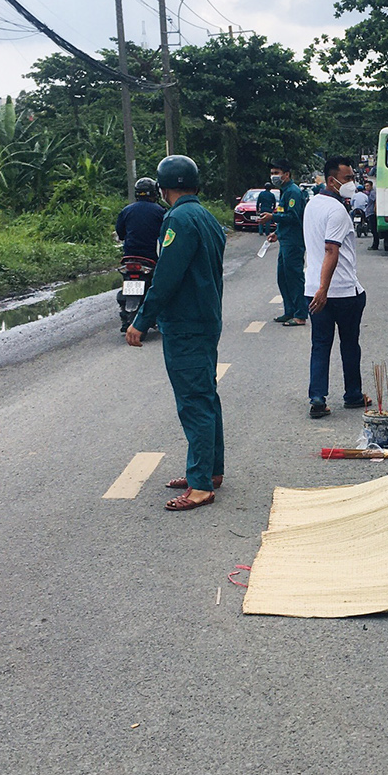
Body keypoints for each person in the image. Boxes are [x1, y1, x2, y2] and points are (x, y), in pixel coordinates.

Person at [124, 156, 226, 511]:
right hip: (205, 318)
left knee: (194, 402)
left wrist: (141, 319)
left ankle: (200, 487)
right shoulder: (207, 217)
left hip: (186, 324)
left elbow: (166, 276)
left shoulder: (178, 219)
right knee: (206, 397)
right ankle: (210, 470)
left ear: (163, 188)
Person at [303, 155, 369, 419]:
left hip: (312, 289)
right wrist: (324, 290)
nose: (352, 183)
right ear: (332, 181)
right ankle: (352, 394)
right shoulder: (338, 211)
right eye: (348, 179)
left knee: (320, 344)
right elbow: (331, 250)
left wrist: (317, 289)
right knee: (349, 343)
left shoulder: (312, 204)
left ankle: (317, 398)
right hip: (340, 291)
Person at [258, 161, 308, 326]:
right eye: (272, 172)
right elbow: (285, 218)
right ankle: (289, 311)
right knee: (283, 277)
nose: (274, 176)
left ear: (287, 174)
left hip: (294, 242)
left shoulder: (293, 192)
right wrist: (277, 233)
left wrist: (272, 217)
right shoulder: (284, 192)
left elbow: (293, 217)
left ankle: (300, 314)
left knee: (294, 277)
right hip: (285, 240)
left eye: (277, 172)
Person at [116, 176, 166, 262]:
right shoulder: (161, 211)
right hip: (152, 256)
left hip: (130, 256)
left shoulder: (126, 210)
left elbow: (120, 233)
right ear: (155, 193)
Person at [362, 179, 378, 250]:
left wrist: (375, 209)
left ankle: (375, 245)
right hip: (369, 212)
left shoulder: (372, 193)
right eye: (365, 186)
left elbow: (376, 201)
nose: (366, 187)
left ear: (371, 186)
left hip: (372, 213)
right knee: (373, 230)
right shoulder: (369, 193)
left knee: (374, 230)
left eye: (368, 186)